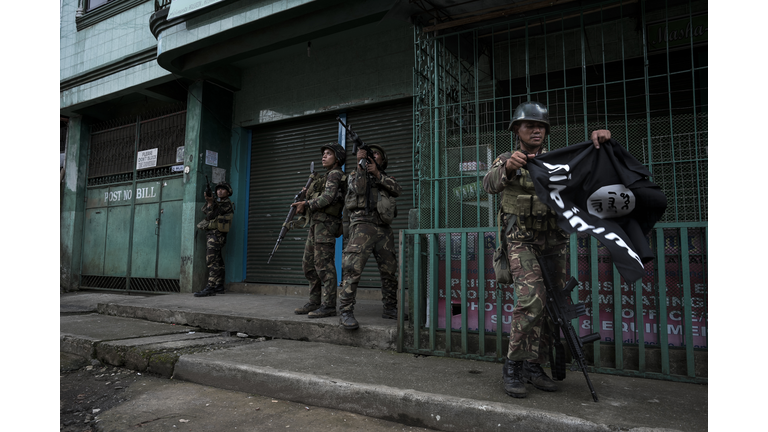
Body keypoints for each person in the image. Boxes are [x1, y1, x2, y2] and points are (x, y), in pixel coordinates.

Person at [482, 101, 611, 398]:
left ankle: (534, 365)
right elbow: (488, 185)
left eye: (541, 126)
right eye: (530, 125)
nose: (536, 130)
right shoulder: (506, 159)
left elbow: (588, 171)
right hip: (521, 240)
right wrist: (509, 168)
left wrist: (600, 145)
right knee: (531, 302)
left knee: (553, 310)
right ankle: (513, 366)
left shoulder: (558, 160)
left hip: (554, 242)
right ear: (517, 130)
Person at [338, 143, 402, 330]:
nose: (372, 156)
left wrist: (377, 174)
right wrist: (360, 166)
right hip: (362, 226)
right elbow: (357, 189)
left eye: (376, 154)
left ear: (381, 160)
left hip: (383, 228)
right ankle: (345, 311)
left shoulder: (386, 178)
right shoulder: (354, 174)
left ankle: (390, 308)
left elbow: (397, 190)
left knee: (389, 271)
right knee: (352, 269)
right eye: (369, 154)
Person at [292, 143, 347, 318]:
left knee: (324, 265)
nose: (324, 156)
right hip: (316, 224)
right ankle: (314, 301)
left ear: (337, 158)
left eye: (328, 154)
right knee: (308, 265)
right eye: (323, 153)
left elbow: (328, 198)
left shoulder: (336, 174)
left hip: (326, 225)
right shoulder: (324, 177)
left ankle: (328, 305)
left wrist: (306, 203)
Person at [194, 181, 234, 297]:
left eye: (222, 189)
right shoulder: (219, 203)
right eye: (218, 189)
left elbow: (211, 215)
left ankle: (210, 286)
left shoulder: (226, 204)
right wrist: (209, 202)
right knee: (218, 260)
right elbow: (206, 212)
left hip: (217, 235)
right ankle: (219, 285)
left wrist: (211, 202)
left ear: (228, 192)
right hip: (213, 234)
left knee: (211, 259)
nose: (219, 191)